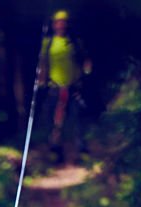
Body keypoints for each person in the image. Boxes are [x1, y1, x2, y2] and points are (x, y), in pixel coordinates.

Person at [38, 10, 92, 162]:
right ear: (54, 24)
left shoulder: (75, 42)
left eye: (64, 22)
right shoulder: (47, 44)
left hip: (74, 88)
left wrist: (86, 74)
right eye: (58, 22)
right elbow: (42, 64)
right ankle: (55, 151)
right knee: (55, 121)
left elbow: (86, 60)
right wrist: (41, 81)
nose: (61, 25)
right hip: (54, 88)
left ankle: (81, 151)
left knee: (77, 119)